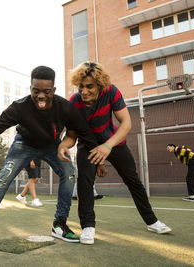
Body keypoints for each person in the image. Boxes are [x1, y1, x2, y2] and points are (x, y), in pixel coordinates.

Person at [0, 66, 105, 247]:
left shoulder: (65, 108)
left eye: (46, 91)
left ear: (54, 91)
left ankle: (60, 224)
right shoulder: (20, 107)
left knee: (69, 173)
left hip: (52, 145)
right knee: (4, 178)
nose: (41, 96)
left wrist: (99, 161)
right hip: (24, 144)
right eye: (36, 91)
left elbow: (85, 133)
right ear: (30, 90)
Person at [58, 61, 172, 245]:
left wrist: (108, 146)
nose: (84, 91)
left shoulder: (111, 92)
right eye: (81, 86)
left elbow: (126, 123)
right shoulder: (74, 103)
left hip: (114, 141)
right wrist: (64, 145)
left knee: (133, 180)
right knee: (84, 182)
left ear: (100, 85)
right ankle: (88, 226)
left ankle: (152, 221)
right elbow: (71, 136)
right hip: (87, 146)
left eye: (89, 87)